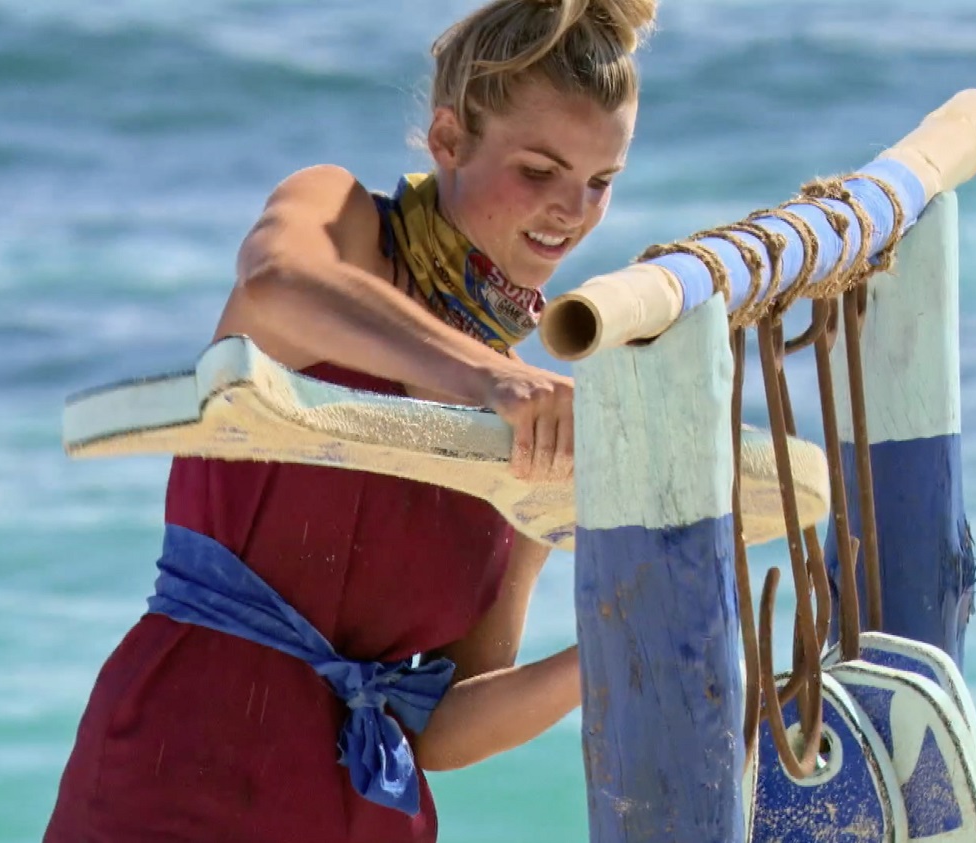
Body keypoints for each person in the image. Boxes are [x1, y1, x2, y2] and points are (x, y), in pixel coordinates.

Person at [44, 0, 656, 840]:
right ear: (448, 139)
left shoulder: (527, 408)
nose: (572, 210)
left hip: (363, 813)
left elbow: (441, 719)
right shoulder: (347, 232)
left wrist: (607, 650)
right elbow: (273, 281)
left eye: (600, 182)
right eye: (540, 170)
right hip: (176, 769)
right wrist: (489, 378)